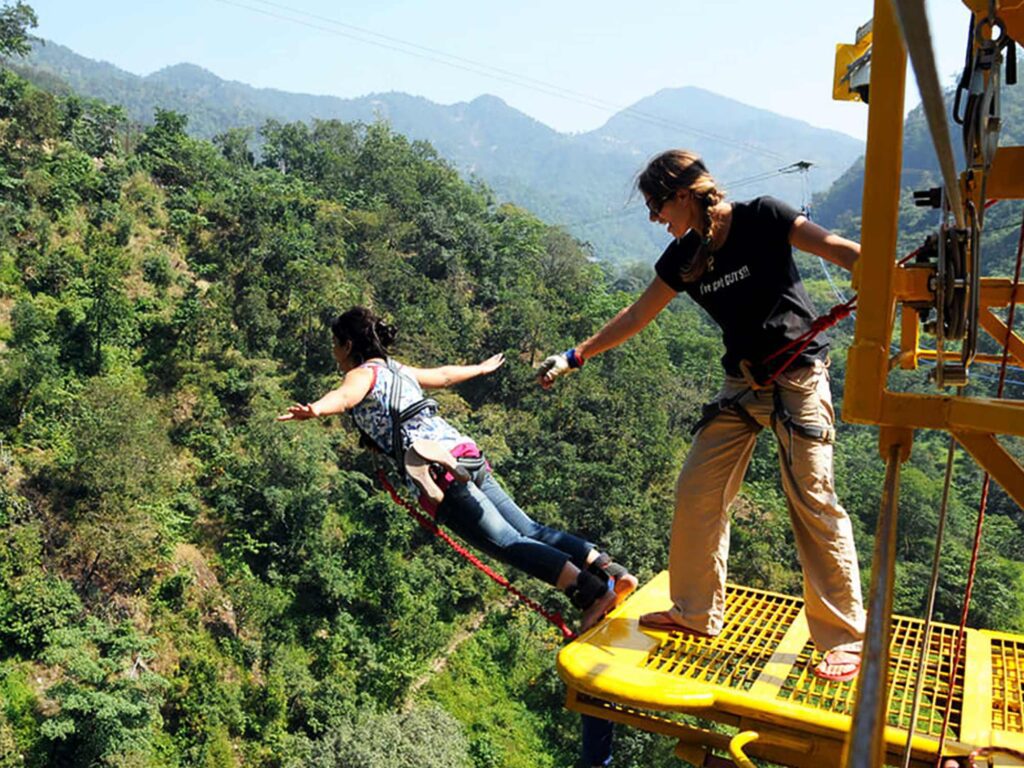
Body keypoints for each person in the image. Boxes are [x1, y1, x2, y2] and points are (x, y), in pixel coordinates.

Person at [537, 150, 865, 682]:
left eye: (656, 205)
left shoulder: (763, 217)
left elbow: (834, 248)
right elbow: (638, 314)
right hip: (742, 382)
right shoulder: (684, 258)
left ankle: (846, 637)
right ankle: (695, 612)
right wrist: (577, 355)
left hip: (798, 376)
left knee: (811, 496)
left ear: (684, 195)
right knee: (697, 490)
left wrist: (886, 276)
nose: (653, 218)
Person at [278, 306, 637, 632]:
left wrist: (315, 409)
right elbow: (445, 375)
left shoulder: (361, 374)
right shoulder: (395, 369)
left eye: (335, 344)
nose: (334, 352)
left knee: (509, 543)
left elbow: (344, 398)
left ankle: (591, 594)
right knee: (529, 528)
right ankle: (610, 572)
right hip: (464, 453)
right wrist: (479, 369)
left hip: (437, 470)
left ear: (348, 344)